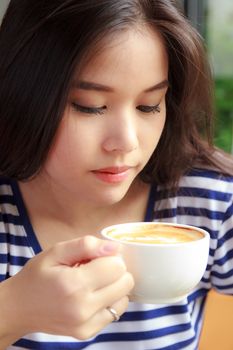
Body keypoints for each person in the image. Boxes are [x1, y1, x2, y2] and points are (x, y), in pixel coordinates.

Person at [0, 0, 232, 349]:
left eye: (149, 105)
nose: (126, 141)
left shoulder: (208, 198)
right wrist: (13, 310)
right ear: (23, 94)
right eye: (89, 107)